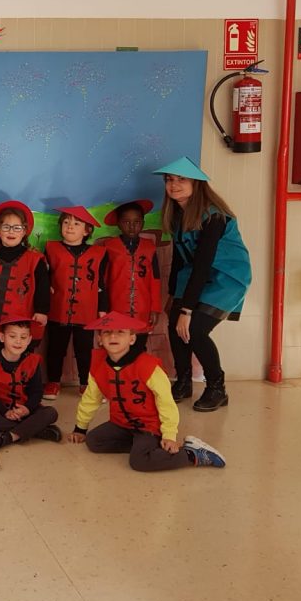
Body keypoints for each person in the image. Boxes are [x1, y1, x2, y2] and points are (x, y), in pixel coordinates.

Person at [67, 312, 226, 471]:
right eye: (107, 332)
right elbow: (91, 398)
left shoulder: (147, 366)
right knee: (94, 441)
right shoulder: (98, 365)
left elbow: (165, 401)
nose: (113, 336)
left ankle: (191, 454)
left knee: (139, 462)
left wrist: (169, 435)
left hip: (149, 426)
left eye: (120, 332)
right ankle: (143, 448)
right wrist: (81, 428)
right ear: (100, 339)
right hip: (121, 423)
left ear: (132, 339)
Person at [155, 156, 251, 412]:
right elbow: (179, 259)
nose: (174, 185)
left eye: (181, 179)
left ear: (196, 184)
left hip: (226, 276)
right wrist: (173, 296)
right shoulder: (177, 215)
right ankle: (183, 381)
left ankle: (217, 388)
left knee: (195, 330)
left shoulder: (213, 216)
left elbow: (203, 264)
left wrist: (187, 310)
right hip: (194, 274)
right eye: (169, 180)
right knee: (174, 324)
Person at [44, 206, 108, 398]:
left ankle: (85, 383)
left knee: (85, 350)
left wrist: (102, 310)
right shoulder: (51, 248)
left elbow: (101, 283)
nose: (70, 226)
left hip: (86, 310)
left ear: (87, 230)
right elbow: (44, 277)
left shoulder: (99, 253)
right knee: (55, 348)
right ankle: (53, 382)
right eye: (66, 222)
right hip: (57, 308)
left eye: (76, 223)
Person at [0, 318, 61, 449]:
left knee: (51, 412)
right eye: (12, 336)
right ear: (2, 337)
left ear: (29, 340)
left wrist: (27, 409)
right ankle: (36, 430)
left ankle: (9, 436)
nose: (18, 341)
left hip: (22, 410)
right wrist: (4, 411)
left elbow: (36, 392)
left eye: (23, 337)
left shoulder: (32, 361)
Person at [0, 200, 49, 342]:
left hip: (21, 323)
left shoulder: (35, 259)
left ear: (24, 231)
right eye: (6, 227)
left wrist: (42, 311)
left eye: (17, 227)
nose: (11, 231)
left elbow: (43, 287)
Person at [102, 200, 161, 351]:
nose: (132, 226)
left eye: (137, 222)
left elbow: (155, 280)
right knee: (118, 348)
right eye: (126, 222)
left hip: (143, 307)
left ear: (143, 223)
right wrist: (104, 307)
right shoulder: (109, 247)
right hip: (116, 306)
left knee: (139, 347)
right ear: (118, 224)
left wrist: (155, 308)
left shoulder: (149, 247)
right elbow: (103, 280)